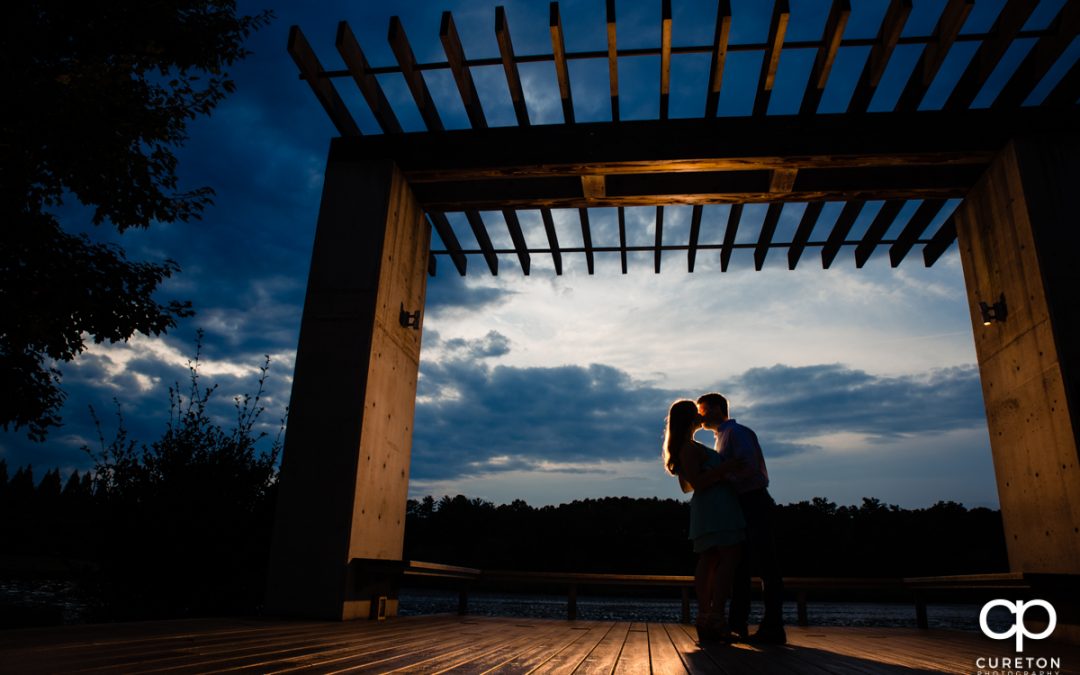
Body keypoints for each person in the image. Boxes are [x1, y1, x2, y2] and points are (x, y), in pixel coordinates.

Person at [697, 392, 786, 645]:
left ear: (715, 409)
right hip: (741, 503)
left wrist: (724, 479)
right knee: (739, 565)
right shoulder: (722, 437)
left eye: (701, 410)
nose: (699, 416)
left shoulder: (736, 433)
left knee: (767, 565)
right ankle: (738, 624)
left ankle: (773, 627)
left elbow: (749, 466)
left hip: (754, 500)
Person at [662, 399, 744, 643]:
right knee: (727, 558)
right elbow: (697, 482)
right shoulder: (687, 448)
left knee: (710, 558)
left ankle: (708, 618)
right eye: (696, 413)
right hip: (714, 507)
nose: (701, 416)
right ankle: (713, 616)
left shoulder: (689, 446)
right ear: (690, 418)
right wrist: (725, 467)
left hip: (715, 505)